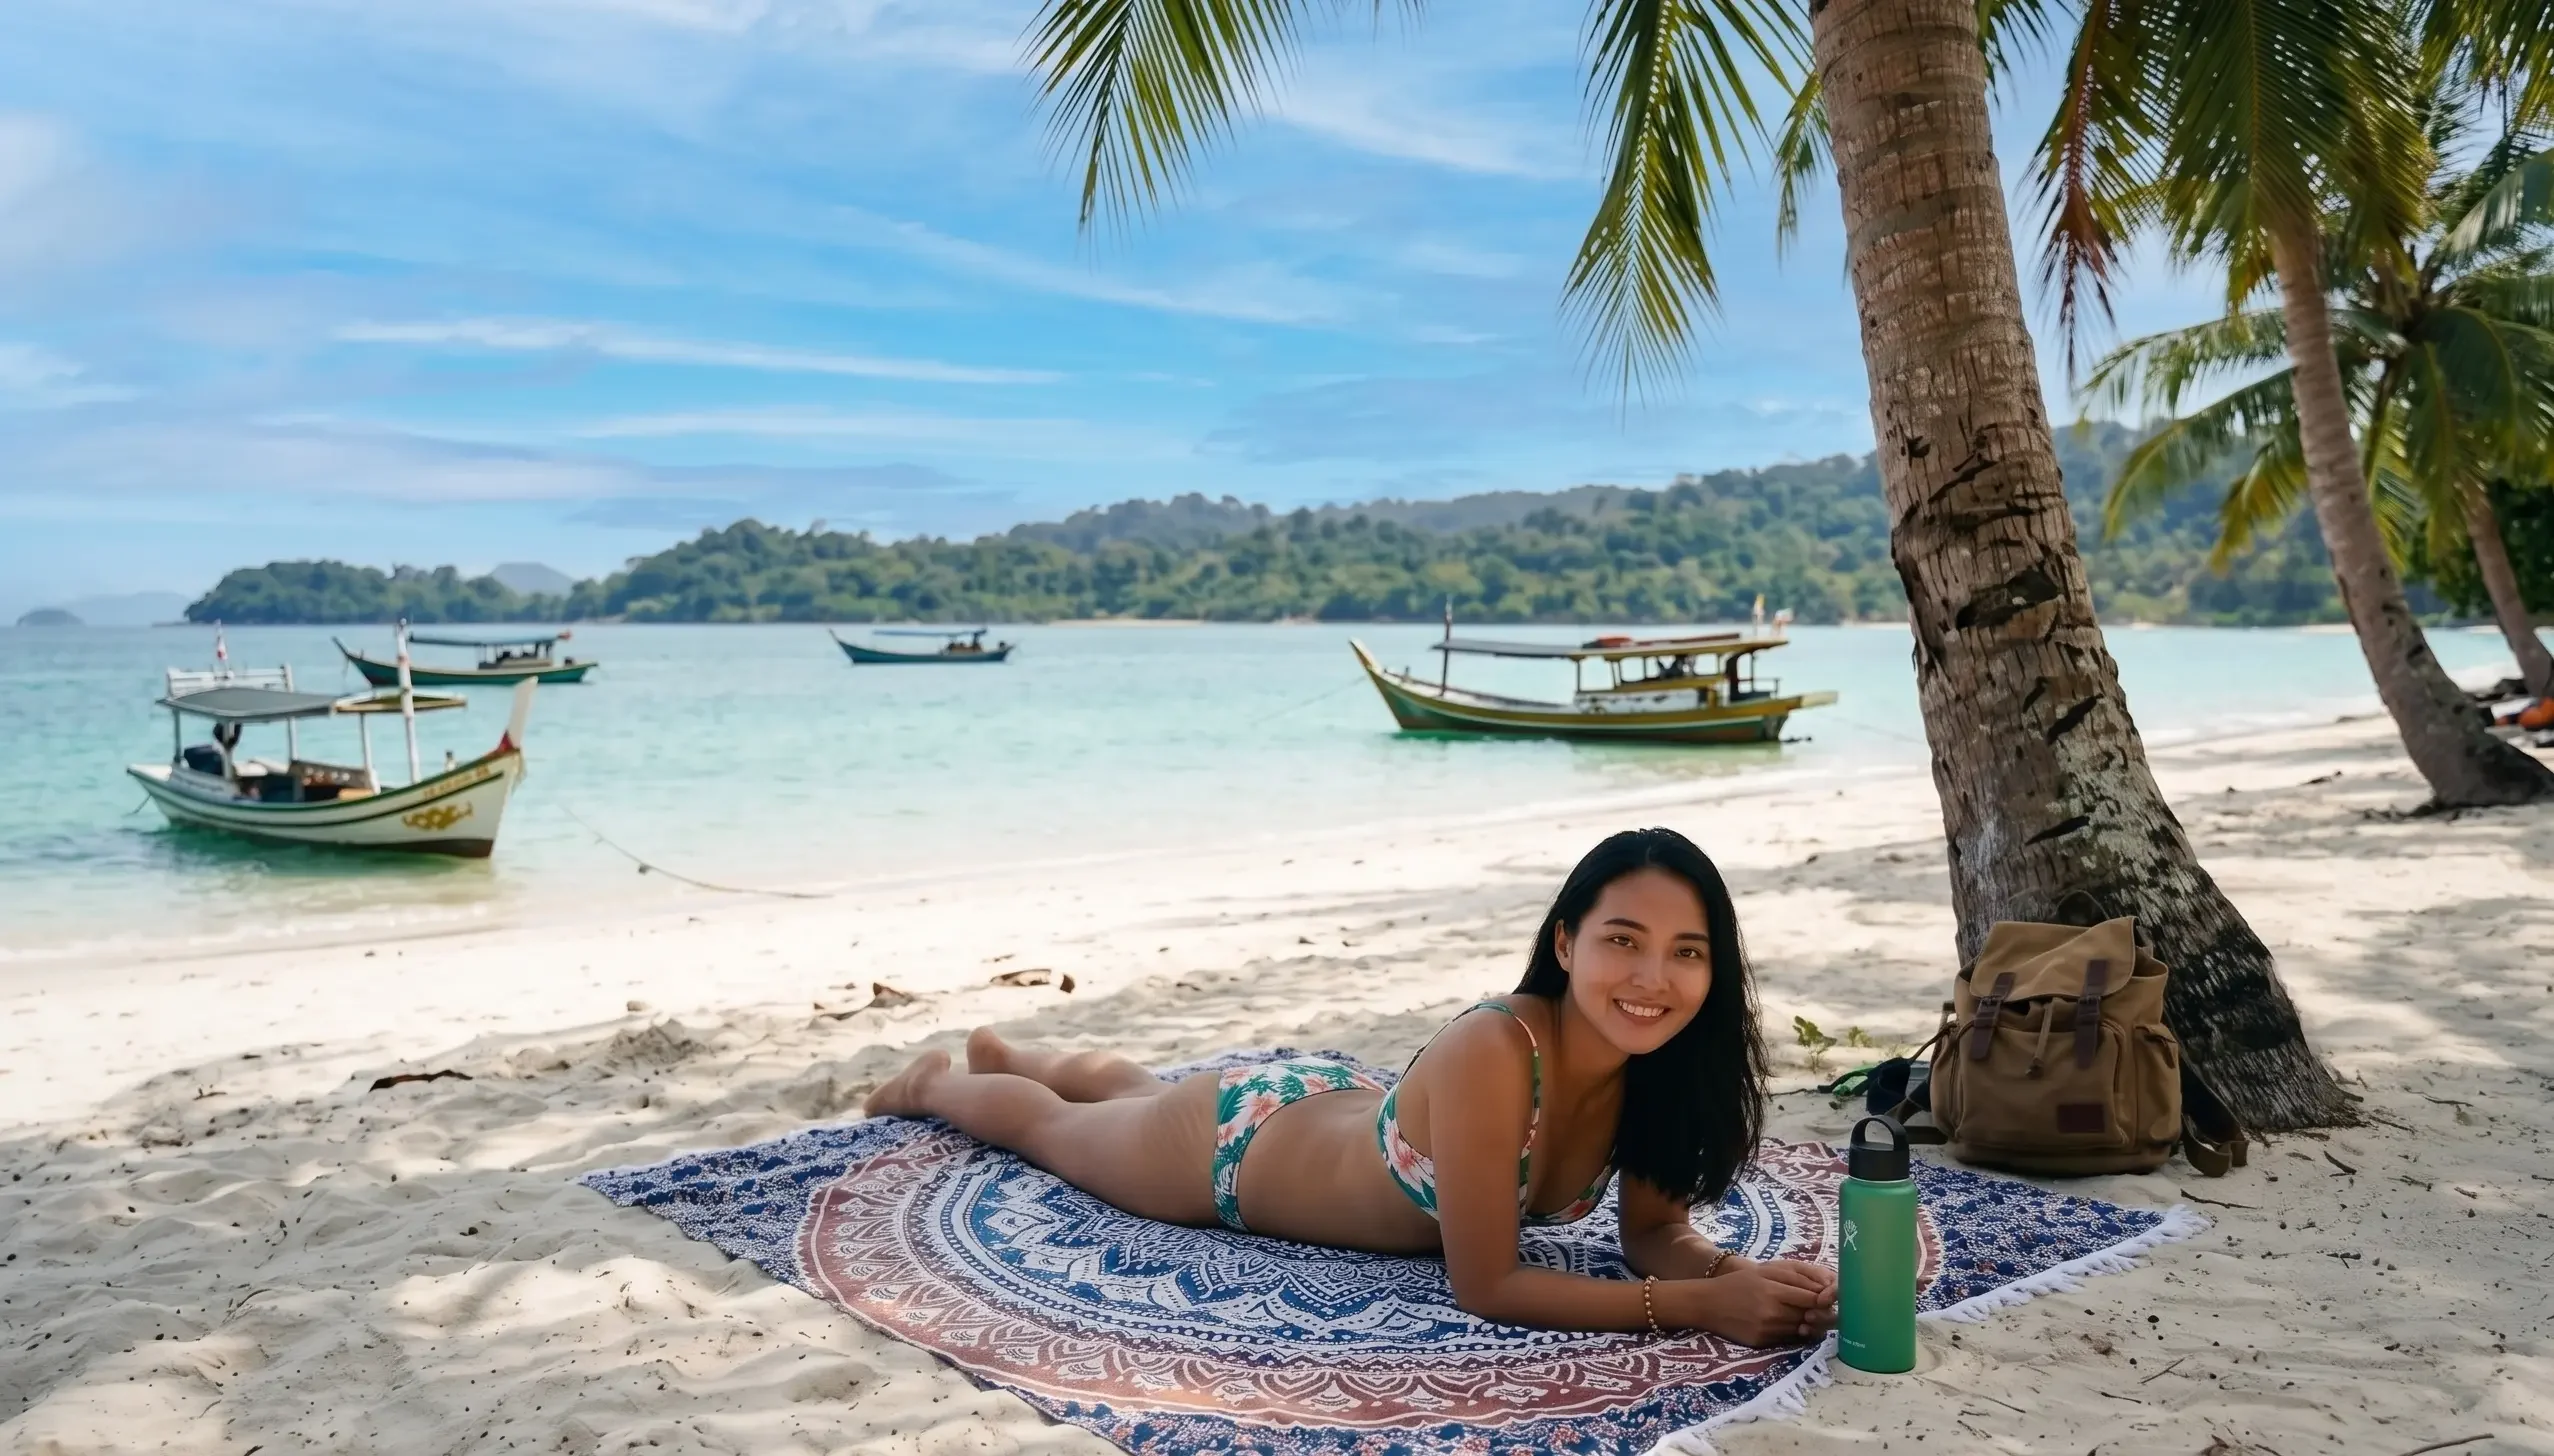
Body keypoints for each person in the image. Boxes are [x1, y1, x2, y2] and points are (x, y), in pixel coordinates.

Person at [865, 827, 1838, 1345]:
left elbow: (1650, 1236)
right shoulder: (1497, 1051)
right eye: (1621, 941)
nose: (1650, 979)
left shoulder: (1658, 1069)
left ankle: (1026, 1050)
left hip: (1323, 1098)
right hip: (1233, 1152)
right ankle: (942, 1081)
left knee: (1135, 1088)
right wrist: (1698, 1310)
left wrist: (1737, 1277)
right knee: (1049, 1131)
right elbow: (1487, 1283)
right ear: (1563, 942)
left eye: (1685, 953)